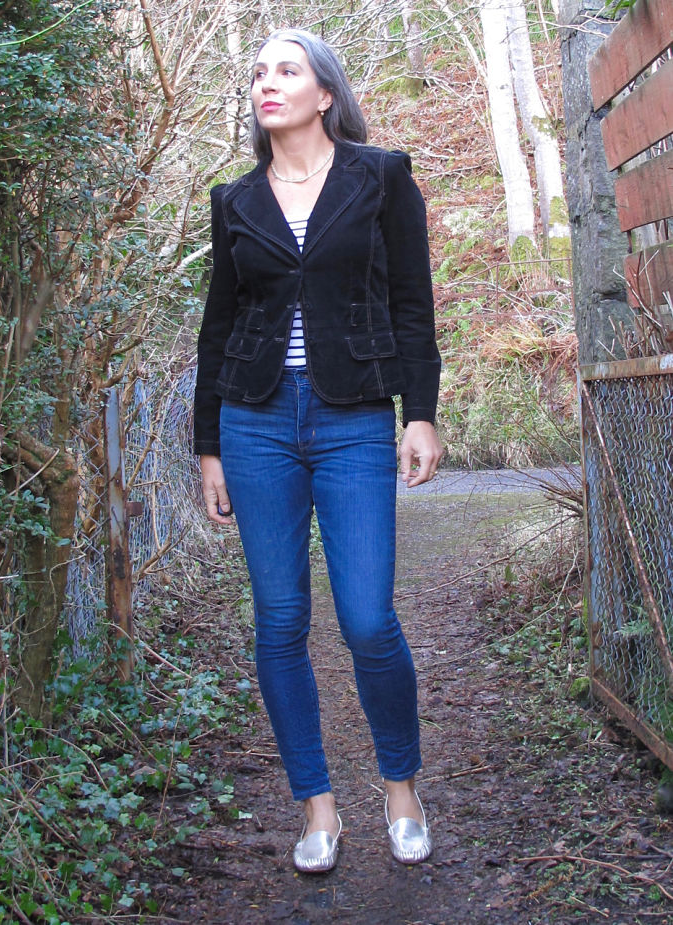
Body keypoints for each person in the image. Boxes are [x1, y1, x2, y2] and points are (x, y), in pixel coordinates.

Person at [193, 27, 443, 873]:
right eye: (258, 72)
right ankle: (318, 806)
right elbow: (218, 326)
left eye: (287, 70)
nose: (268, 82)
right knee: (280, 621)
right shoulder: (235, 199)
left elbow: (413, 302)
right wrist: (208, 445)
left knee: (368, 619)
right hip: (254, 422)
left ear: (325, 93)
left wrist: (420, 413)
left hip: (353, 417)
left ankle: (401, 788)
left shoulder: (381, 177)